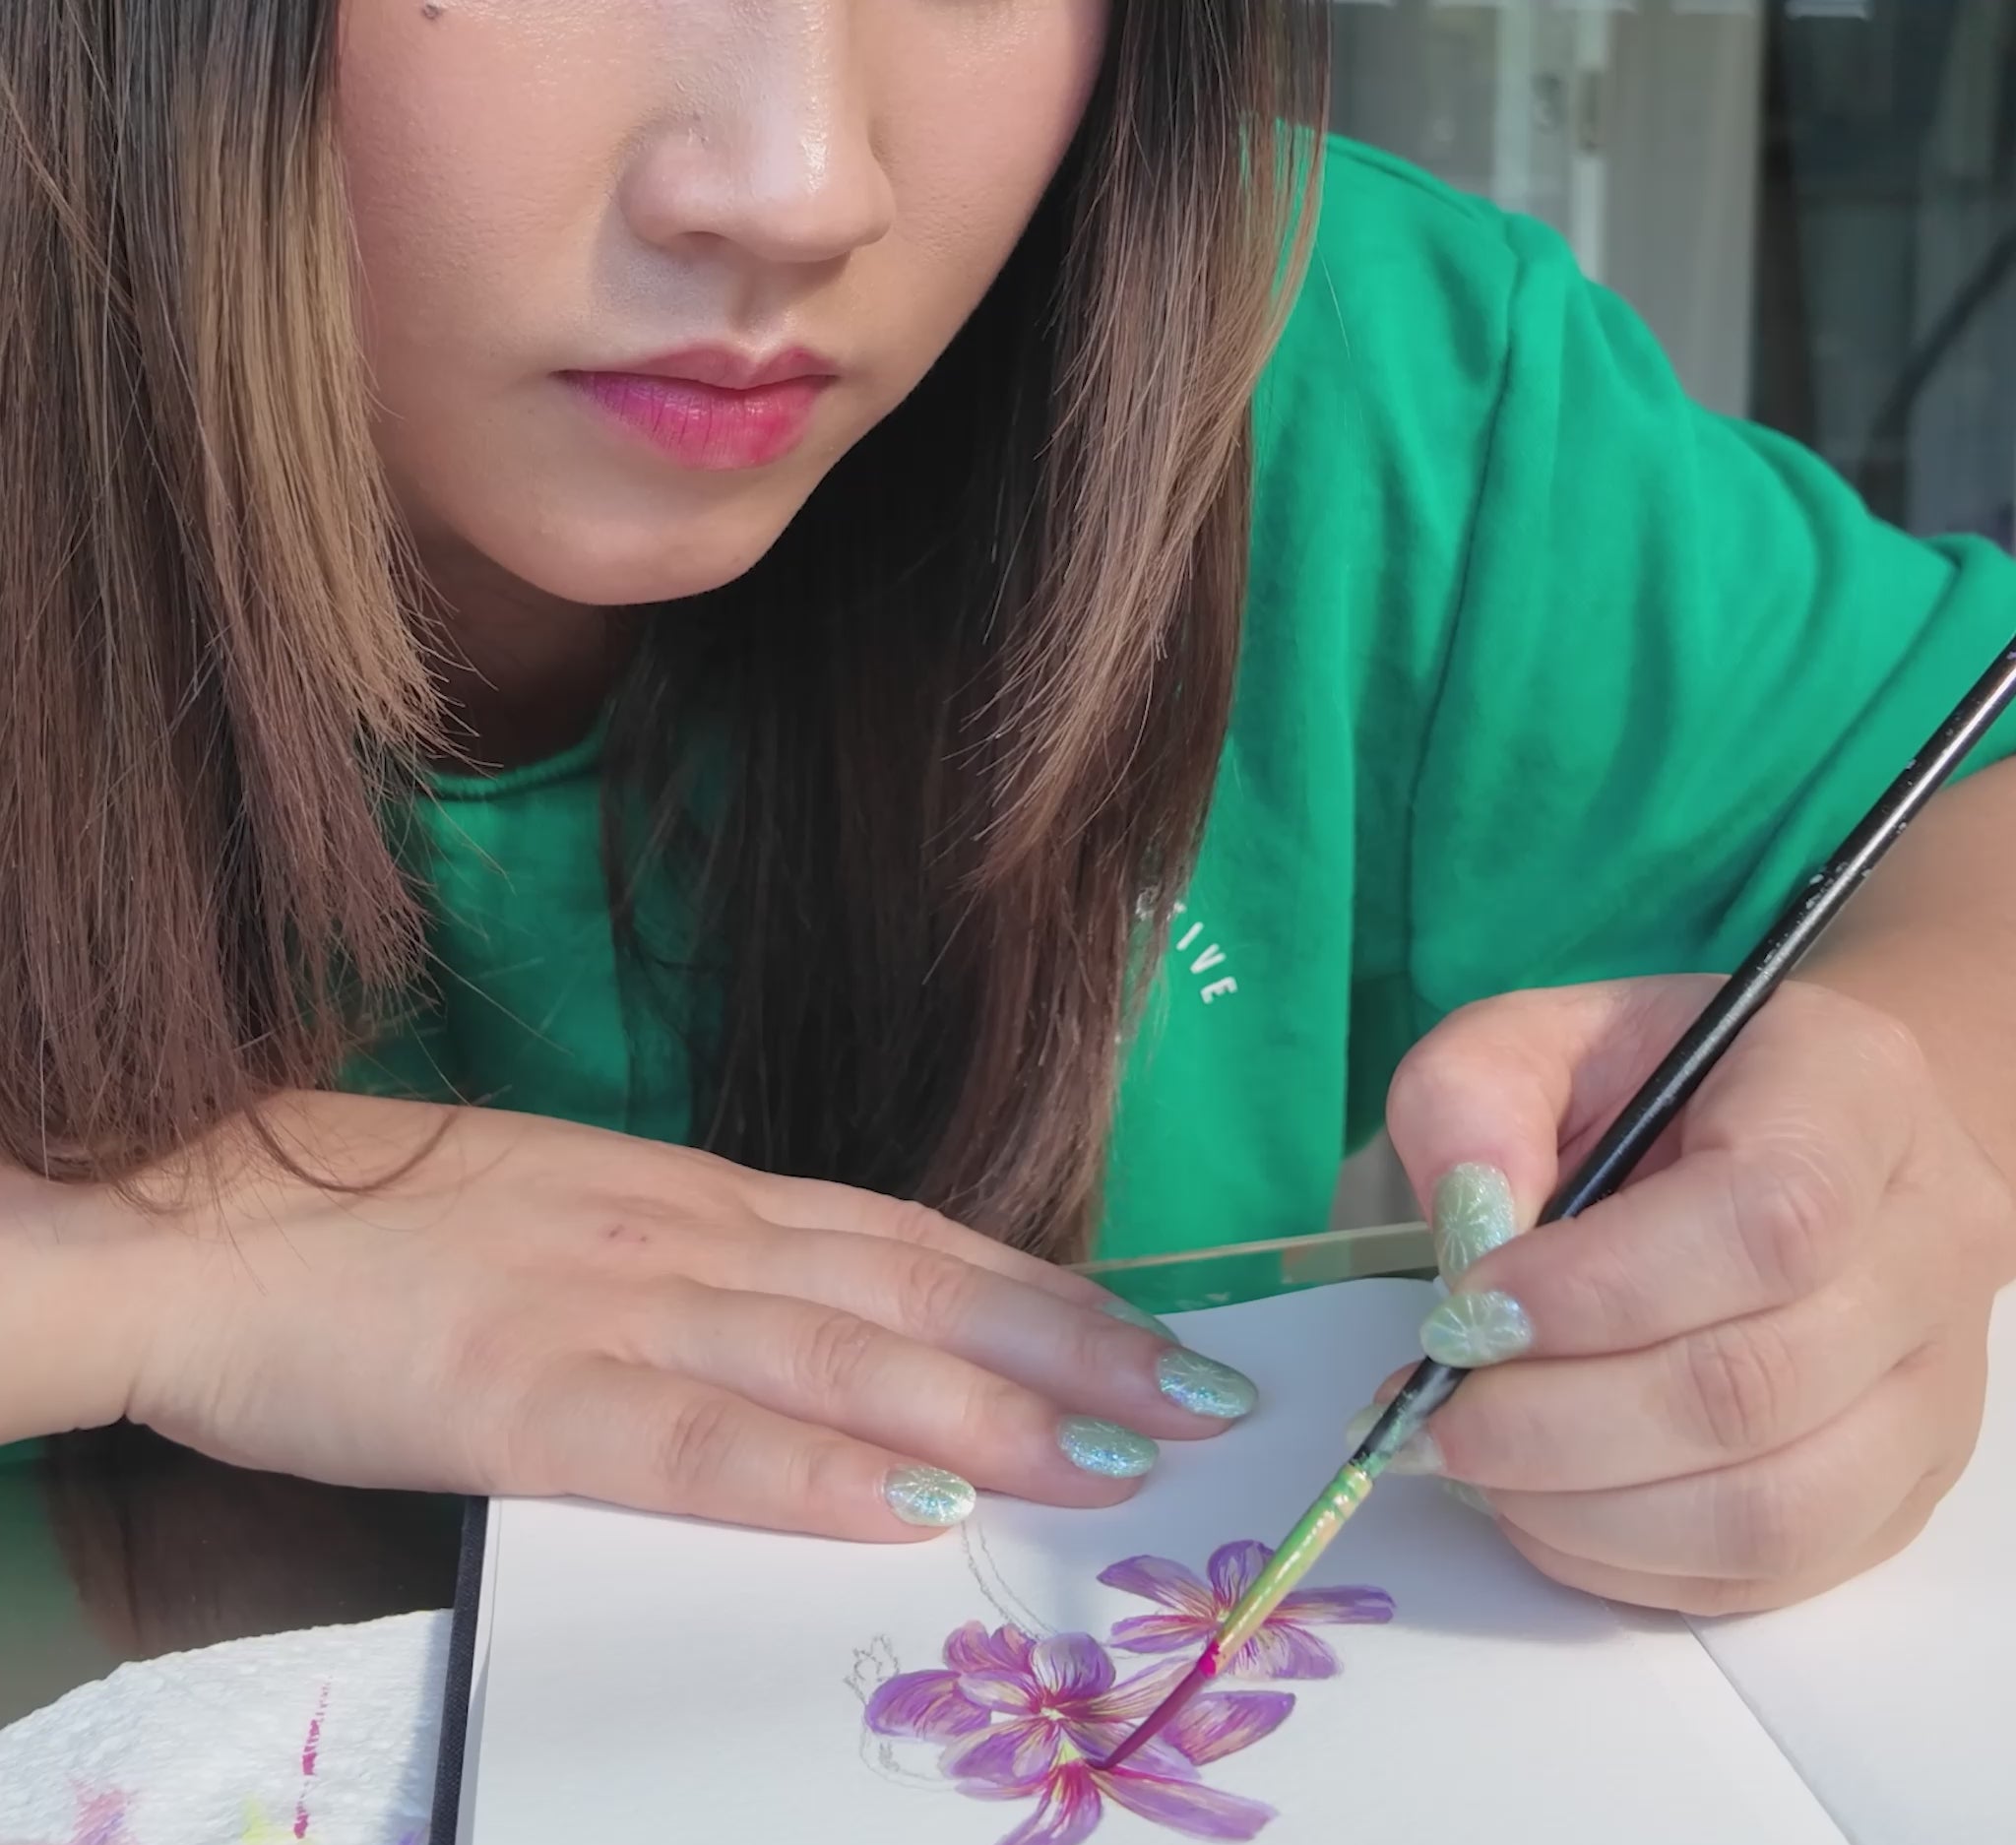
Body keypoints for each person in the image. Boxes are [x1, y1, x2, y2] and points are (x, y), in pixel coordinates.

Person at [4, 0, 2013, 1621]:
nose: (795, 186)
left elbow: (1968, 784)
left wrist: (1883, 1138)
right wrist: (169, 1245)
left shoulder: (1322, 362)